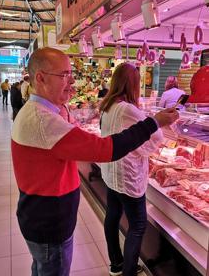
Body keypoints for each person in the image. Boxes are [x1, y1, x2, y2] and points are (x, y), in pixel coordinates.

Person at [11, 47, 178, 276]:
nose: (71, 82)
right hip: (49, 222)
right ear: (40, 78)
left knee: (42, 269)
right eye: (64, 76)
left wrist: (63, 101)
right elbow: (106, 149)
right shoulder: (43, 121)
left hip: (41, 216)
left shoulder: (42, 111)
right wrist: (154, 123)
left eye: (71, 75)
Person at [100, 63, 164, 276]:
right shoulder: (128, 109)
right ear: (133, 84)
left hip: (111, 173)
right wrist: (162, 121)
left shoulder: (109, 105)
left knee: (113, 216)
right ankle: (128, 272)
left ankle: (116, 264)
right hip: (128, 176)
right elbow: (155, 138)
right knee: (137, 226)